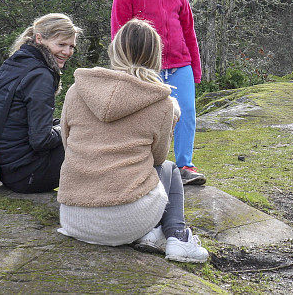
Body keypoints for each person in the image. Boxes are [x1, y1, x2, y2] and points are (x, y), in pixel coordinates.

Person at [57, 19, 209, 263]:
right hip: (126, 221)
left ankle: (152, 233)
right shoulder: (162, 102)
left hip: (74, 217)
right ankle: (178, 238)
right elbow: (158, 160)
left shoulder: (77, 90)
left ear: (115, 50)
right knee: (169, 167)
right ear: (155, 56)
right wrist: (171, 118)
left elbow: (67, 144)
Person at [111, 0, 205, 186]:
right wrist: (124, 71)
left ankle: (185, 165)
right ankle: (146, 167)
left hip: (180, 63)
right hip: (144, 68)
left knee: (186, 113)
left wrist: (195, 68)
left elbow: (188, 31)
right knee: (146, 119)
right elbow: (119, 35)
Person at [0, 13, 82, 193]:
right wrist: (67, 129)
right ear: (39, 39)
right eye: (61, 44)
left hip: (9, 169)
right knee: (87, 138)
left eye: (71, 46)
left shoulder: (18, 63)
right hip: (27, 174)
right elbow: (41, 140)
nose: (67, 52)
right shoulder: (40, 76)